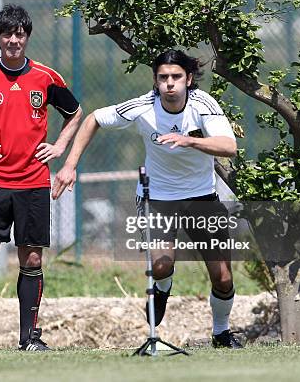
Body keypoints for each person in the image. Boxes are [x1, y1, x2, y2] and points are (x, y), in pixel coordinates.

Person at [52, 49, 243, 348]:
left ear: (188, 79)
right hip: (159, 199)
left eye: (176, 77)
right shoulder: (143, 107)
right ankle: (162, 286)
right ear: (155, 81)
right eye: (163, 77)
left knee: (222, 277)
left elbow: (229, 146)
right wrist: (69, 165)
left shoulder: (203, 104)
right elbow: (93, 119)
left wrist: (190, 140)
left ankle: (221, 332)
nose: (170, 83)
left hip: (203, 198)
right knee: (162, 265)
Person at [0, 4, 82, 351]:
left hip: (34, 182)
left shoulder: (46, 77)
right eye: (6, 34)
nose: (13, 40)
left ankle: (30, 339)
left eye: (19, 34)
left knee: (33, 259)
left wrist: (60, 147)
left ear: (27, 37)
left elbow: (75, 112)